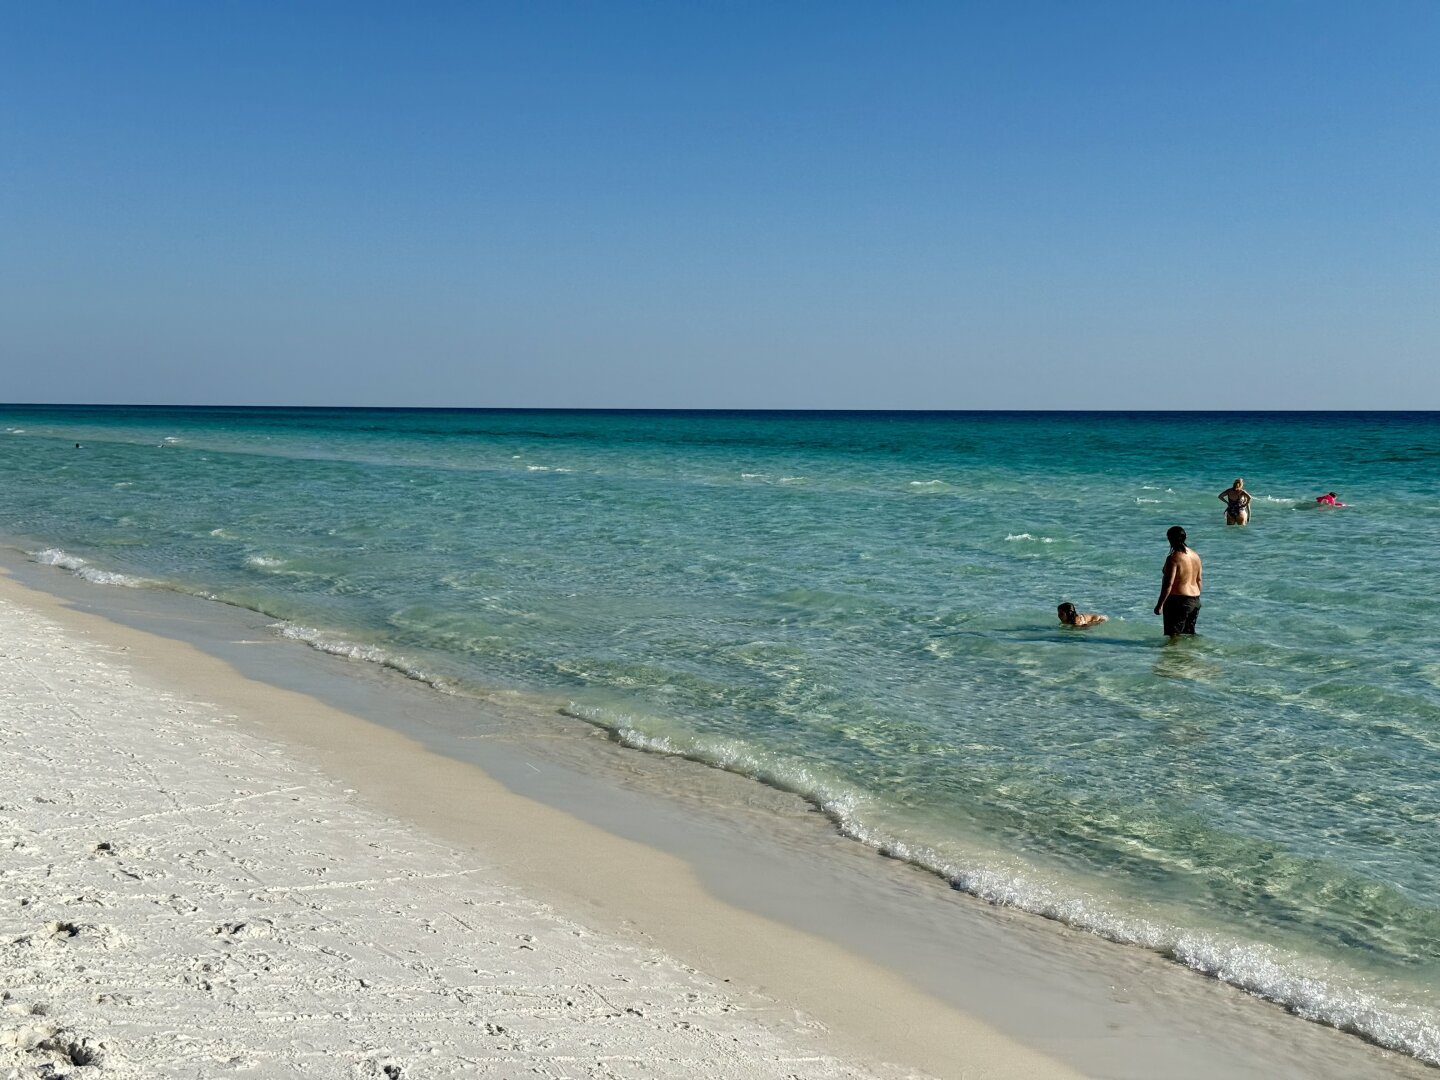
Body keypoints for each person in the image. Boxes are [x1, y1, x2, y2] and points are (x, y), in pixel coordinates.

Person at [1154, 525, 1202, 635]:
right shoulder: (1195, 555)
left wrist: (1160, 604)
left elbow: (1168, 584)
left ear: (1170, 539)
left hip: (1178, 602)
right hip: (1194, 601)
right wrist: (1196, 600)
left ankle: (1173, 653)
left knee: (1173, 637)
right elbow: (1199, 580)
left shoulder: (1173, 558)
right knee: (1188, 635)